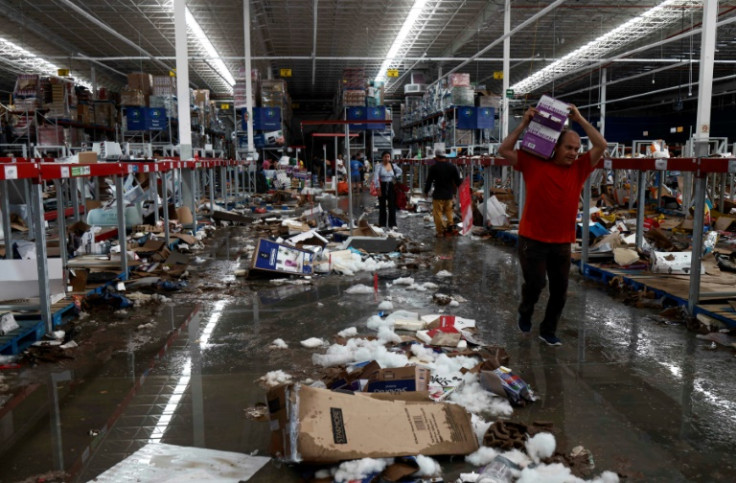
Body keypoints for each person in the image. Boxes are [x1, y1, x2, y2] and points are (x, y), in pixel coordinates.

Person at [498, 104, 606, 346]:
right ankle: (525, 311)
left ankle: (548, 330)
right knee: (536, 284)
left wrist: (579, 119)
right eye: (568, 147)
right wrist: (523, 124)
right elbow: (504, 149)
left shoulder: (580, 169)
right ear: (554, 147)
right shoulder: (533, 162)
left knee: (560, 291)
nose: (573, 153)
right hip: (532, 239)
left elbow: (601, 145)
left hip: (562, 242)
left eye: (577, 149)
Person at [424, 148, 462, 237]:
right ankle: (450, 228)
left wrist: (426, 191)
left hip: (438, 194)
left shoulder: (433, 167)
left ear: (436, 157)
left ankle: (440, 232)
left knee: (438, 213)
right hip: (449, 194)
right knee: (449, 212)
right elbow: (458, 182)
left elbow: (429, 181)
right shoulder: (452, 167)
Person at [373, 150, 402, 229]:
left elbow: (400, 171)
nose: (386, 158)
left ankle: (392, 224)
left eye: (388, 157)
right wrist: (378, 188)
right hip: (382, 185)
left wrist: (395, 176)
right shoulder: (379, 166)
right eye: (385, 157)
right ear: (382, 158)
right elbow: (375, 177)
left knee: (392, 205)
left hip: (391, 185)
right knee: (382, 205)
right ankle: (382, 224)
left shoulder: (393, 165)